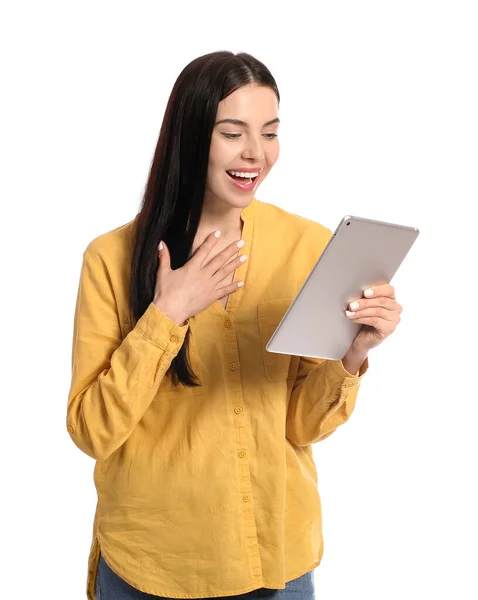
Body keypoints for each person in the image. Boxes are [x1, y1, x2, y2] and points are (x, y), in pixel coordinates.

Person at [66, 51, 402, 600]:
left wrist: (354, 354)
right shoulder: (111, 258)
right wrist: (167, 314)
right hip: (154, 566)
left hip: (277, 559)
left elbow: (300, 425)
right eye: (233, 133)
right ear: (192, 136)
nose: (256, 154)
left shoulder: (309, 247)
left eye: (270, 132)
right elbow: (90, 430)